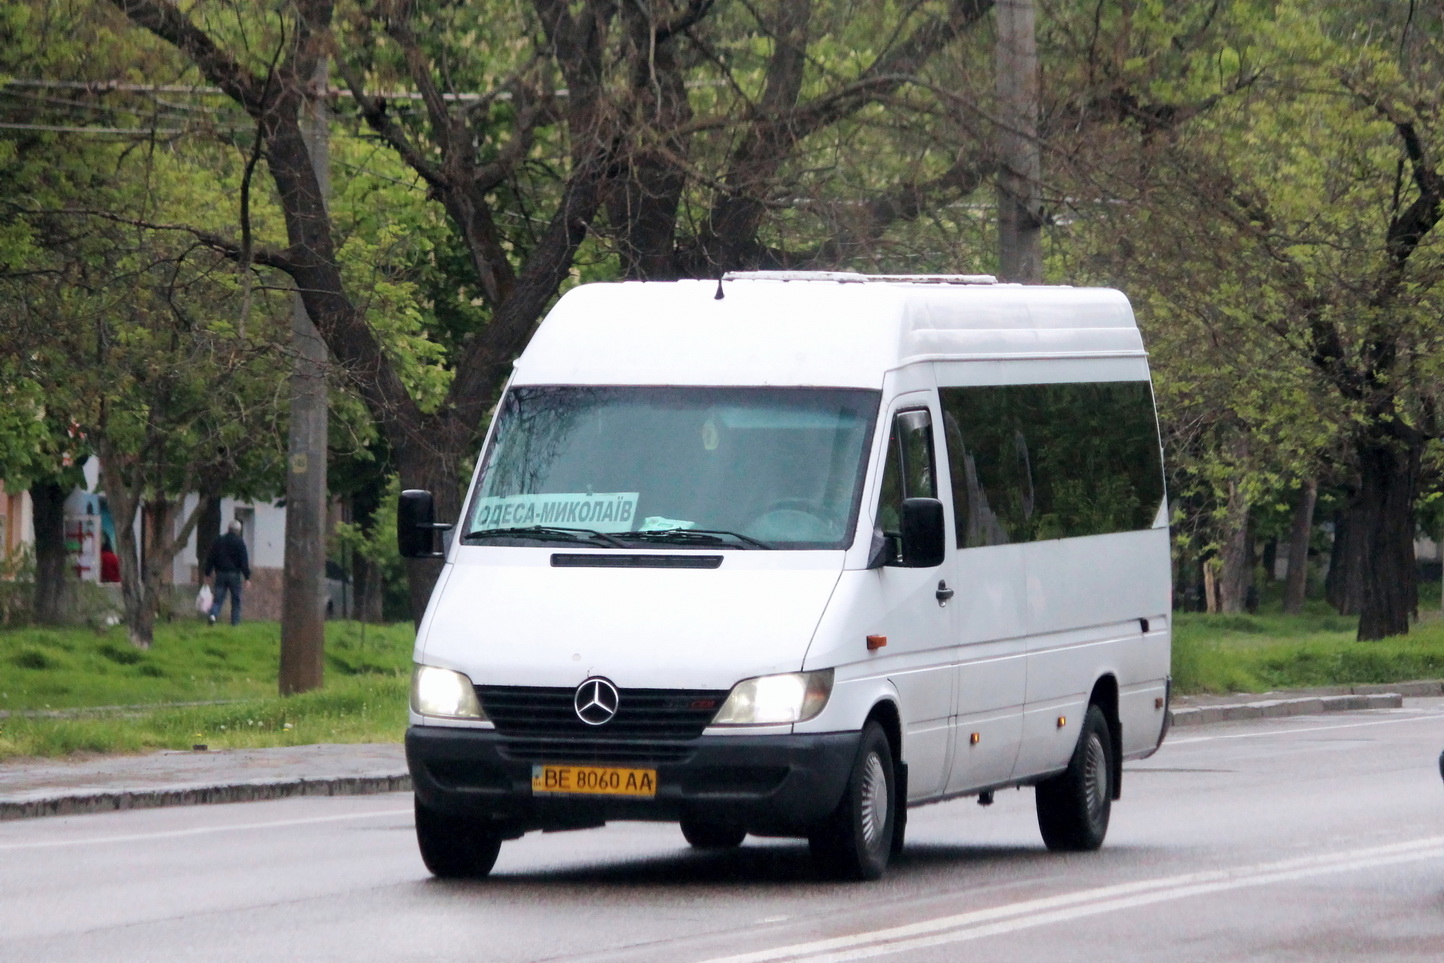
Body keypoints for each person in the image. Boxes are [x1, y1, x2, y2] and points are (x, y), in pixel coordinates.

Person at [204, 520, 251, 625]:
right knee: (236, 600)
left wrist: (207, 573)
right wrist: (247, 577)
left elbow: (211, 558)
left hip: (220, 574)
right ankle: (235, 622)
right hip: (234, 575)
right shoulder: (240, 542)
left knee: (218, 599)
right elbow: (244, 561)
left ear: (228, 529)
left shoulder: (219, 541)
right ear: (238, 530)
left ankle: (212, 615)